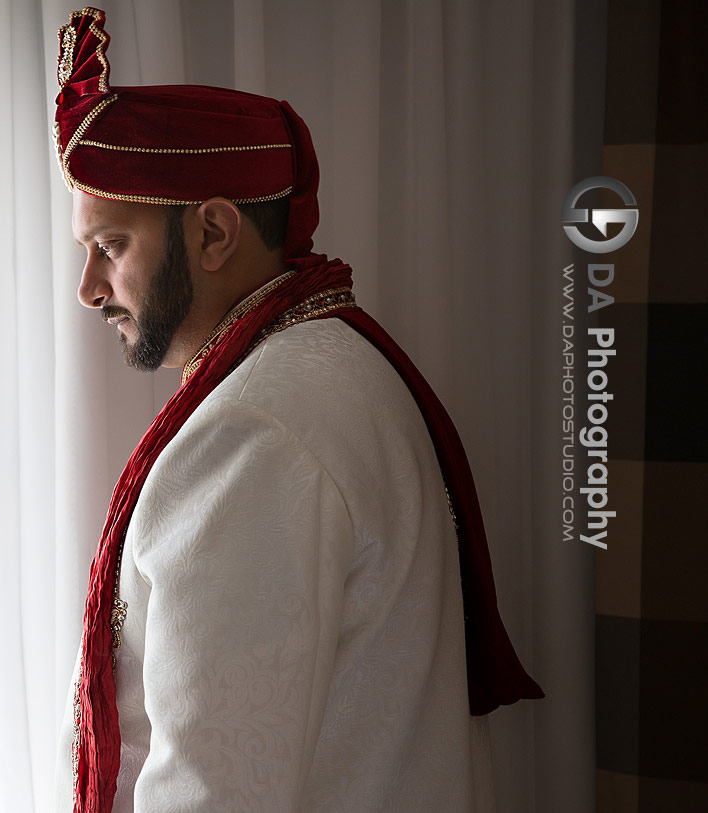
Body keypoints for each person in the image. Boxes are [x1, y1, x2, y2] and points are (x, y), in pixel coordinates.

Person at [51, 8, 543, 812]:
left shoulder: (256, 431)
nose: (90, 289)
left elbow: (211, 791)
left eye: (109, 245)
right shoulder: (334, 361)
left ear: (213, 232)